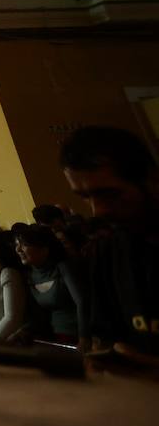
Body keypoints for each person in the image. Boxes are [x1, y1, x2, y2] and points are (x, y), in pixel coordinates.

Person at [60, 125, 159, 361]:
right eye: (86, 197)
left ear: (151, 177)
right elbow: (108, 337)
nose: (97, 211)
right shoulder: (107, 252)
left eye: (110, 194)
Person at [15, 224, 84, 345]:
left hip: (76, 335)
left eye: (24, 245)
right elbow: (39, 315)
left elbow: (82, 303)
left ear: (44, 249)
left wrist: (84, 338)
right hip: (54, 337)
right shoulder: (30, 276)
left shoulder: (63, 268)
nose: (18, 250)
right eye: (17, 245)